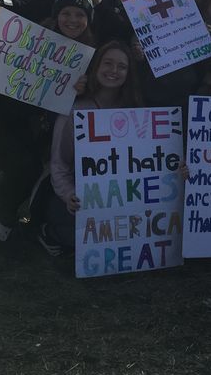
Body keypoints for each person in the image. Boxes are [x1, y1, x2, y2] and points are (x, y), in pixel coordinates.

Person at [0, 0, 96, 244]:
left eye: (80, 15)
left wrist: (78, 90)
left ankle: (1, 215)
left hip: (15, 119)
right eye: (66, 13)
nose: (73, 20)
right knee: (22, 166)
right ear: (56, 15)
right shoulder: (26, 39)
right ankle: (4, 225)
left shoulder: (82, 55)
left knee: (31, 165)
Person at [40, 40, 142, 255]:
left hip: (121, 197)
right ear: (96, 67)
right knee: (82, 238)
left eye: (122, 66)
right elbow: (59, 165)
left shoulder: (136, 112)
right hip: (82, 197)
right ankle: (49, 231)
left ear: (129, 73)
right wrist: (70, 195)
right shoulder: (74, 111)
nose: (114, 71)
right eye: (108, 63)